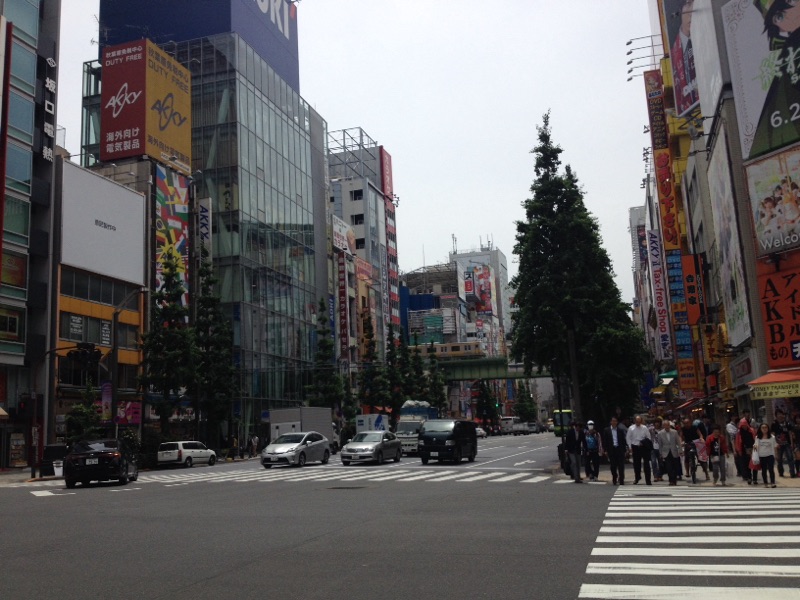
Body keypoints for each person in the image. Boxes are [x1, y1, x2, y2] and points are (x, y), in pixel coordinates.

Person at [670, 0, 699, 115]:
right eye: (688, 4)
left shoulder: (708, 34)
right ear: (680, 10)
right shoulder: (673, 57)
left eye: (695, 3)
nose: (691, 11)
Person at [681, 417, 709, 482]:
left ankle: (706, 473)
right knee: (686, 458)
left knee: (702, 459)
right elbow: (681, 436)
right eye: (685, 423)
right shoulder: (683, 429)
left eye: (687, 423)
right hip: (688, 443)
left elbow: (700, 434)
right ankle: (687, 472)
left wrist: (701, 438)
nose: (686, 424)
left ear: (690, 423)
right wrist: (681, 442)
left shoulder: (694, 427)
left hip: (696, 442)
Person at [602, 417, 628, 485]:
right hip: (611, 449)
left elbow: (623, 440)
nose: (614, 422)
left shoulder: (620, 430)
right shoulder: (607, 430)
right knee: (613, 465)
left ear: (617, 422)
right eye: (613, 421)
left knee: (621, 465)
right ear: (611, 422)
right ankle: (614, 476)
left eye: (615, 421)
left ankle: (621, 479)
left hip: (619, 449)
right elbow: (605, 441)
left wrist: (625, 450)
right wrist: (605, 450)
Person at [627, 415, 652, 485]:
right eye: (637, 421)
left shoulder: (644, 428)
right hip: (635, 446)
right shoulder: (631, 428)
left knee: (646, 464)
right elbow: (628, 438)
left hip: (643, 447)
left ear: (641, 421)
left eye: (639, 421)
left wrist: (643, 442)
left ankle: (648, 480)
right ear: (634, 421)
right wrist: (629, 447)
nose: (638, 422)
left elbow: (648, 437)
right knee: (636, 464)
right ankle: (637, 477)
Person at [771, 409, 796, 478]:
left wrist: (791, 443)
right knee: (779, 459)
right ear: (776, 415)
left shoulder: (787, 423)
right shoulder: (774, 424)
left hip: (787, 443)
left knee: (790, 458)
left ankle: (792, 473)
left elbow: (790, 433)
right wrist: (774, 444)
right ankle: (781, 472)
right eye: (778, 414)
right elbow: (772, 435)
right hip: (778, 444)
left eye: (781, 414)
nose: (780, 415)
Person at [735, 409, 756, 484]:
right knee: (747, 464)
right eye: (742, 425)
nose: (744, 426)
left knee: (754, 462)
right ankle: (749, 477)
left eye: (745, 425)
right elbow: (737, 442)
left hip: (752, 449)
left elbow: (755, 439)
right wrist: (738, 450)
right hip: (744, 450)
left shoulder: (751, 430)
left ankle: (755, 478)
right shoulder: (739, 433)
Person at [658, 419, 682, 486]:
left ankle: (674, 480)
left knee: (675, 466)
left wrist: (680, 450)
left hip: (674, 451)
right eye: (665, 425)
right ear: (663, 426)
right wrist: (660, 453)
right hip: (666, 452)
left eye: (668, 425)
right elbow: (660, 444)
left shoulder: (674, 432)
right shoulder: (660, 433)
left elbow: (678, 442)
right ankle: (671, 480)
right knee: (669, 467)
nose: (667, 427)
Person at [754, 422, 778, 488]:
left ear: (768, 428)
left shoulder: (772, 437)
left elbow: (775, 446)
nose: (764, 429)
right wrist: (754, 456)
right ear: (760, 429)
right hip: (762, 456)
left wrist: (776, 454)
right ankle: (765, 483)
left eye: (766, 427)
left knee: (771, 469)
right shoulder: (757, 437)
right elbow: (755, 446)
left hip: (770, 455)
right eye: (763, 428)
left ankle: (772, 482)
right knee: (763, 470)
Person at [649, 418, 664, 482]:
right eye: (656, 422)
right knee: (653, 462)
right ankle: (655, 476)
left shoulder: (662, 430)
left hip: (661, 448)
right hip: (653, 448)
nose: (657, 424)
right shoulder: (651, 429)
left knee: (661, 463)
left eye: (658, 422)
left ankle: (660, 475)